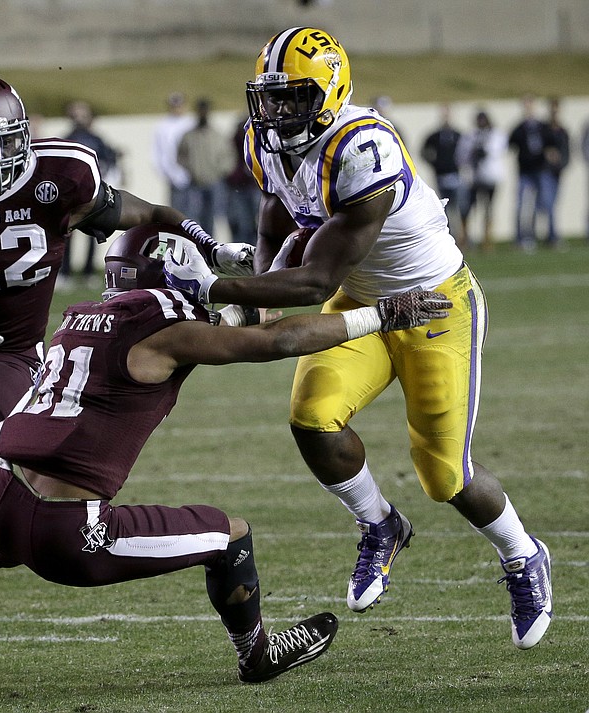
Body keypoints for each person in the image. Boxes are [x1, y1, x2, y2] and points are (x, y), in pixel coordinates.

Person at [0, 223, 452, 695]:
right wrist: (383, 314)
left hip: (5, 502)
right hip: (73, 533)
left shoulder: (79, 317)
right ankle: (255, 651)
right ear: (170, 274)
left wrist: (239, 293)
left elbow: (228, 320)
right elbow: (275, 338)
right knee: (231, 535)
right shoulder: (163, 327)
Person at [0, 74, 256, 674]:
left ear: (24, 137)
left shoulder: (60, 178)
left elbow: (149, 213)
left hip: (11, 358)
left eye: (2, 142)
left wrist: (206, 245)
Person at [164, 27, 553, 651]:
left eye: (294, 97)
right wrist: (260, 275)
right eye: (272, 96)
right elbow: (274, 210)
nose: (279, 111)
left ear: (333, 90)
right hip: (367, 299)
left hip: (432, 304)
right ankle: (379, 523)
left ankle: (523, 554)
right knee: (312, 418)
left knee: (444, 475)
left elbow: (314, 280)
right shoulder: (266, 142)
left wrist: (219, 289)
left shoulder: (360, 148)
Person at [60, 100, 122, 285]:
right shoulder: (67, 138)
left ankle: (88, 271)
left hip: (93, 192)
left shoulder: (97, 139)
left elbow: (110, 160)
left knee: (94, 232)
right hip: (72, 194)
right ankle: (65, 272)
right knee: (68, 232)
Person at [177, 98, 235, 233]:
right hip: (195, 183)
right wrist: (191, 169)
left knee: (212, 217)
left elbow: (229, 156)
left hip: (214, 182)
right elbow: (180, 156)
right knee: (193, 216)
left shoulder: (217, 135)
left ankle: (210, 247)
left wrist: (221, 171)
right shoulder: (189, 136)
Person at [455, 109, 508, 252]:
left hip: (490, 177)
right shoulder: (470, 136)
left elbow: (496, 151)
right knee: (468, 209)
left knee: (489, 209)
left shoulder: (496, 134)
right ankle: (465, 238)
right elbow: (461, 155)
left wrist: (483, 149)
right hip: (474, 178)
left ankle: (487, 239)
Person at [507, 95, 550, 252]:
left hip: (539, 171)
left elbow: (551, 143)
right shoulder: (519, 128)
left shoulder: (542, 127)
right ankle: (520, 238)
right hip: (524, 172)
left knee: (540, 205)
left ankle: (535, 235)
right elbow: (510, 144)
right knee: (520, 205)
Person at [421, 103, 466, 248]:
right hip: (441, 176)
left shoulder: (458, 135)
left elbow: (466, 151)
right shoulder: (435, 136)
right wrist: (435, 164)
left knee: (458, 208)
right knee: (444, 209)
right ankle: (448, 237)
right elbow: (424, 151)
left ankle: (461, 238)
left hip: (455, 176)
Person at [152, 92, 195, 215]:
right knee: (177, 215)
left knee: (196, 215)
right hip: (174, 177)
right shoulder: (162, 127)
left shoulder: (191, 123)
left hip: (194, 178)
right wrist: (169, 174)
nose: (177, 109)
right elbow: (158, 153)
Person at [539, 97, 570, 249]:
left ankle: (551, 235)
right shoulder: (544, 130)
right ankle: (552, 236)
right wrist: (547, 154)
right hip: (545, 172)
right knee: (549, 205)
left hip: (557, 173)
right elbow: (538, 149)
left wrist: (560, 163)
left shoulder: (563, 131)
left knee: (552, 205)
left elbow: (567, 153)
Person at [226, 115, 261, 246]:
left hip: (253, 186)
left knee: (255, 223)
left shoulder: (258, 141)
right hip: (240, 187)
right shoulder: (235, 142)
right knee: (242, 223)